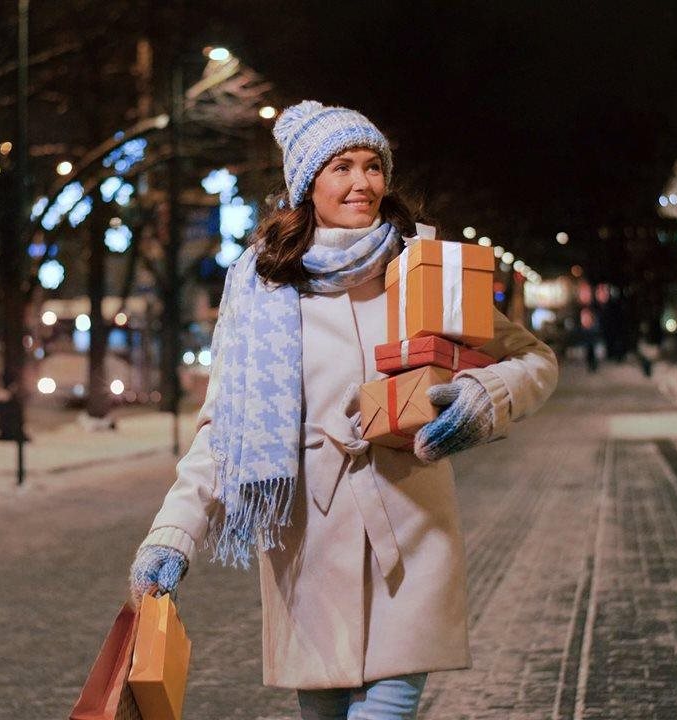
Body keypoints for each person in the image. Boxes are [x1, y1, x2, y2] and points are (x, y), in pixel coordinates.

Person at [129, 100, 559, 719]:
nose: (362, 183)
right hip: (309, 543)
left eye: (372, 166)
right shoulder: (264, 289)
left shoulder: (424, 271)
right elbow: (225, 432)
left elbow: (534, 360)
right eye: (340, 167)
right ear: (307, 183)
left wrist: (482, 398)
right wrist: (172, 535)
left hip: (411, 532)